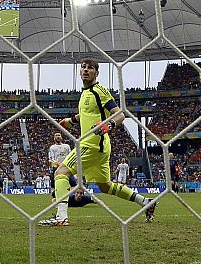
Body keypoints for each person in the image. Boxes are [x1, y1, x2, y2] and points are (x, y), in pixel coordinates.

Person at [39, 58, 156, 226]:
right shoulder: (85, 94)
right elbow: (85, 115)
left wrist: (109, 125)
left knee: (60, 173)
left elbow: (120, 113)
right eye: (83, 67)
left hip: (92, 144)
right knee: (105, 186)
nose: (86, 70)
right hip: (100, 146)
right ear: (80, 72)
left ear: (96, 73)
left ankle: (61, 217)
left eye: (90, 68)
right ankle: (145, 202)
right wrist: (69, 120)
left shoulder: (99, 90)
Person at [48, 132, 71, 200]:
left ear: (61, 137)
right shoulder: (52, 147)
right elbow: (51, 159)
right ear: (54, 138)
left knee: (73, 182)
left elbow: (70, 155)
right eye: (56, 135)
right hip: (57, 168)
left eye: (59, 135)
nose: (58, 136)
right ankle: (55, 198)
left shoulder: (66, 146)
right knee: (55, 183)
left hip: (66, 167)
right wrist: (58, 164)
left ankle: (71, 197)